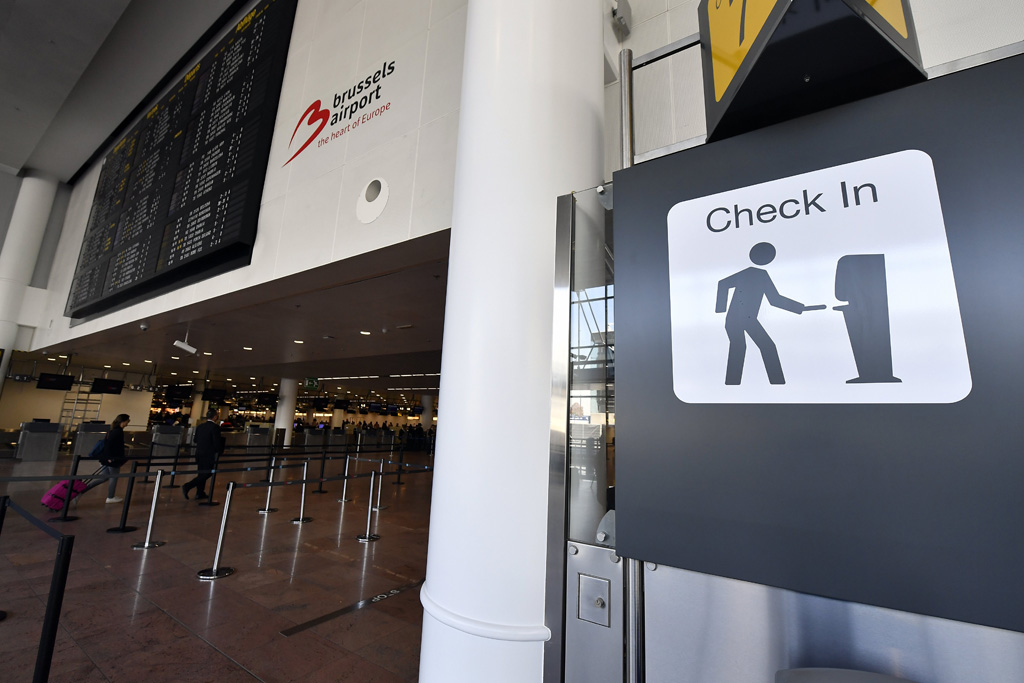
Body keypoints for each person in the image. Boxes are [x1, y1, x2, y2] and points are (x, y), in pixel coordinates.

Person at [85, 413, 130, 503]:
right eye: (127, 421)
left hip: (106, 458)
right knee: (114, 477)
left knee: (103, 478)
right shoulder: (118, 431)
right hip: (113, 459)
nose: (128, 423)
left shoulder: (112, 430)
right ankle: (110, 497)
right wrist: (110, 457)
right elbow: (110, 445)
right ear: (123, 421)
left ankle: (82, 491)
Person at [183, 408, 222, 500]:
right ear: (215, 417)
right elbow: (216, 442)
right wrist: (219, 451)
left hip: (199, 453)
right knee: (208, 472)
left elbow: (195, 440)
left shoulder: (200, 426)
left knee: (201, 472)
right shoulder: (215, 427)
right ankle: (188, 486)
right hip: (209, 454)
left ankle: (200, 492)